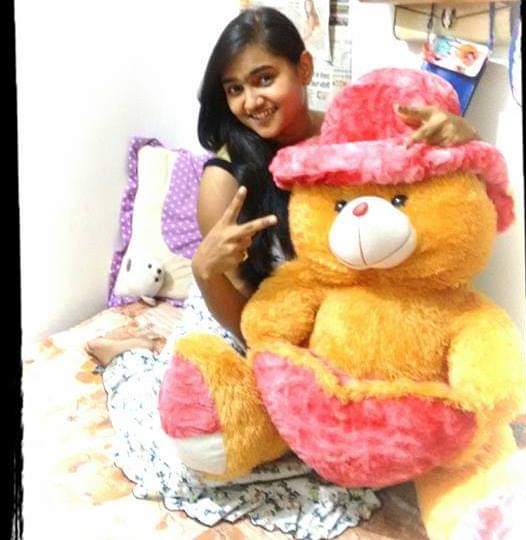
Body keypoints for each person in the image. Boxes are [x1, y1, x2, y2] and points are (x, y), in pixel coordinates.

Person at [86, 6, 479, 365]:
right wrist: (205, 273)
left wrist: (462, 135)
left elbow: (436, 196)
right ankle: (132, 355)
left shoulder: (347, 138)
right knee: (198, 415)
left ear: (303, 68)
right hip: (251, 329)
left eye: (264, 79)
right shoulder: (224, 180)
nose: (251, 102)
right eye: (235, 89)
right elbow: (244, 323)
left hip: (339, 323)